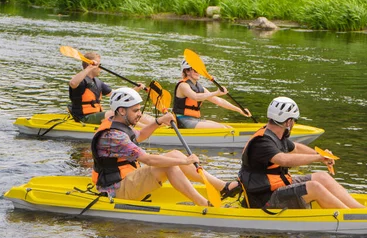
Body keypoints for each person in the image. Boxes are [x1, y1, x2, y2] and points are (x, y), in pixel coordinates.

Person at [92, 87, 239, 205]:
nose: (139, 114)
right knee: (170, 164)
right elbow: (148, 160)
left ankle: (222, 187)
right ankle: (203, 204)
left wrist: (159, 121)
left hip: (126, 180)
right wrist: (184, 161)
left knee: (174, 154)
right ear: (122, 111)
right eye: (135, 111)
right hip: (116, 189)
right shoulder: (114, 136)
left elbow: (140, 135)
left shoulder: (119, 124)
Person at [238, 97, 365, 210]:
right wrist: (317, 158)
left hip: (276, 188)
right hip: (264, 200)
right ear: (288, 122)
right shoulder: (262, 142)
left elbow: (296, 148)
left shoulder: (276, 135)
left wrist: (321, 154)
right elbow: (284, 160)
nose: (293, 124)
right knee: (314, 187)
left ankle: (360, 210)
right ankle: (349, 217)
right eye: (293, 121)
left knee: (322, 177)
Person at [68, 51, 150, 125]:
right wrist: (89, 67)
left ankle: (157, 125)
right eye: (99, 65)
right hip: (83, 118)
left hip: (96, 115)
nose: (100, 67)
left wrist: (136, 89)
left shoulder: (98, 82)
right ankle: (145, 131)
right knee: (119, 113)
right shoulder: (80, 81)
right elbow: (72, 83)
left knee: (135, 113)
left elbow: (118, 96)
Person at [173, 59, 252, 129]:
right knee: (222, 129)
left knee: (228, 127)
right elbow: (196, 97)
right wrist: (216, 92)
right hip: (182, 120)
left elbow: (219, 101)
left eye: (198, 70)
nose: (198, 73)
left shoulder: (200, 88)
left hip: (195, 119)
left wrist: (240, 110)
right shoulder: (183, 86)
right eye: (195, 70)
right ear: (187, 71)